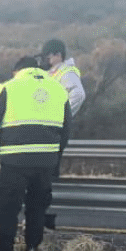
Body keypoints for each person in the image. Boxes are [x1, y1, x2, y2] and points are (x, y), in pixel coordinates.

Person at [0, 56, 71, 251]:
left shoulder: (10, 86)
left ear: (16, 71)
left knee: (7, 209)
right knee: (37, 208)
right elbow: (66, 131)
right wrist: (54, 157)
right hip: (46, 161)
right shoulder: (58, 88)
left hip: (15, 161)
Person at [40, 39, 85, 231]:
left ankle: (41, 217)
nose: (46, 59)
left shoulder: (66, 72)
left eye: (48, 55)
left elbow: (78, 94)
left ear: (58, 54)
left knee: (45, 175)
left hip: (54, 130)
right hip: (49, 130)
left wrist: (60, 117)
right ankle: (40, 216)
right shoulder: (53, 73)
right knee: (42, 175)